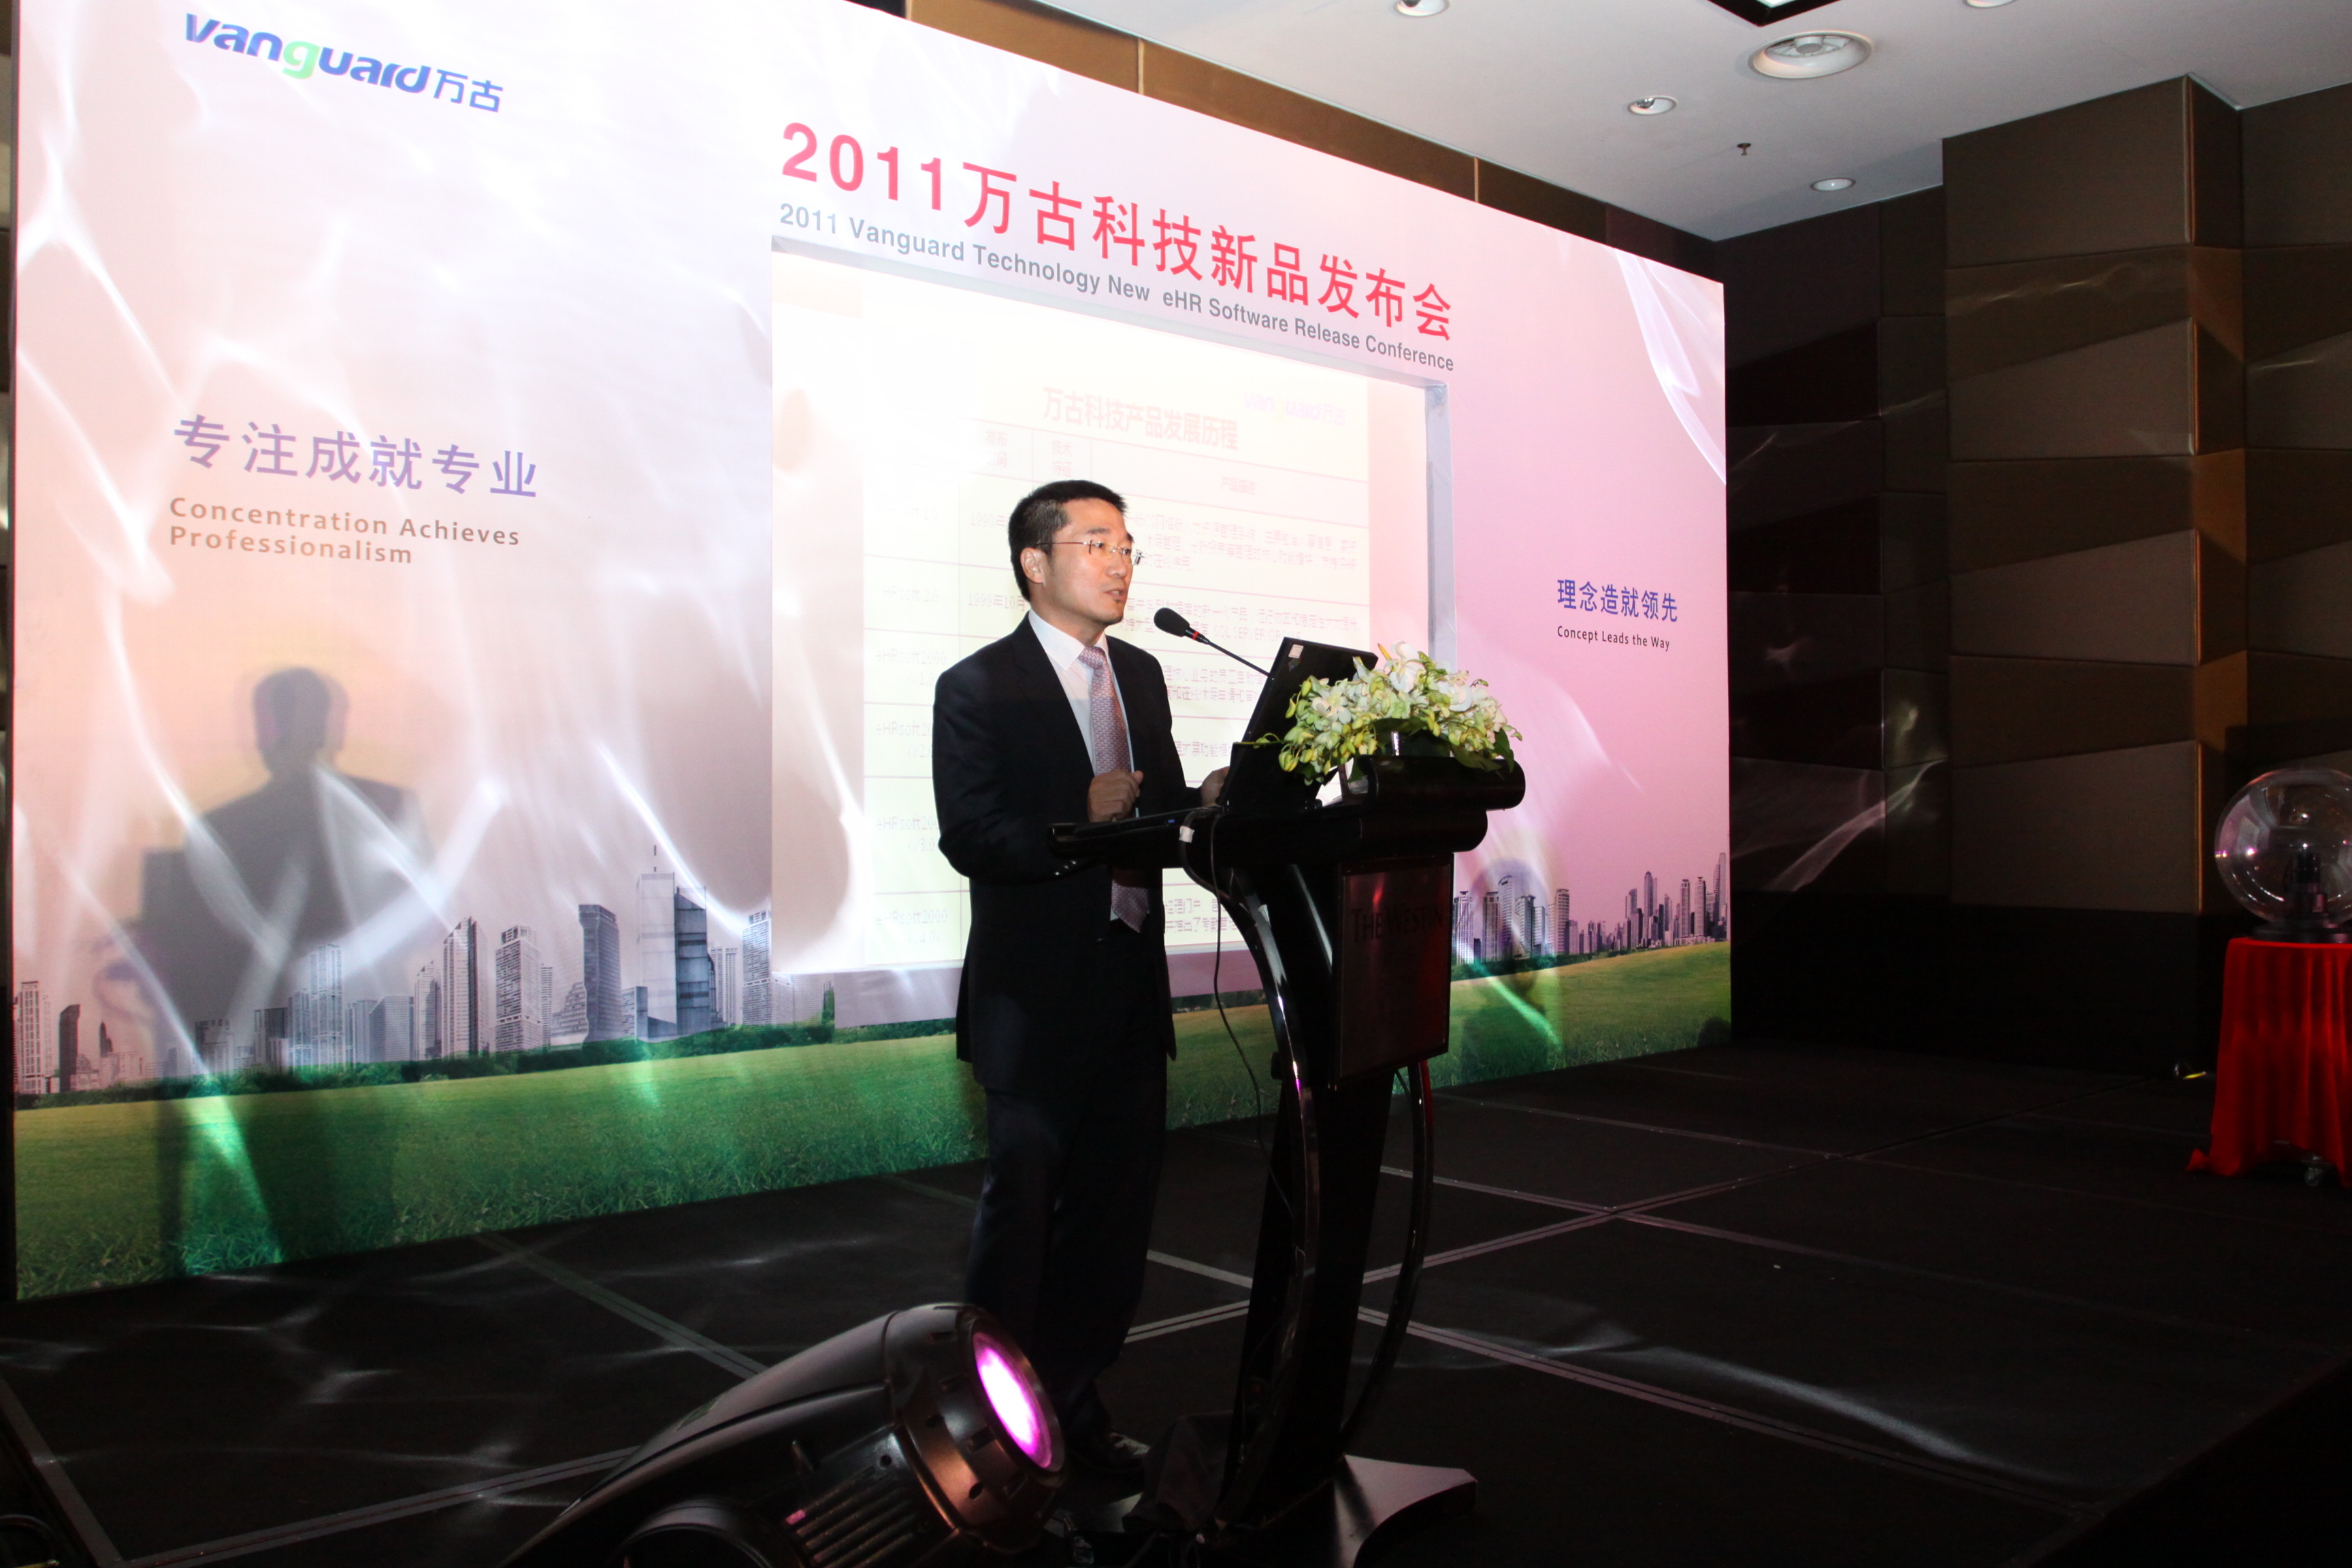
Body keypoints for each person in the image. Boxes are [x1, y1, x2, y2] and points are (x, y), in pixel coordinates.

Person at [931, 479, 1227, 1480]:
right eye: (1097, 543)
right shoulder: (978, 685)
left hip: (1129, 994)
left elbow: (1158, 807)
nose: (1120, 563)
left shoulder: (1141, 672)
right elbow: (971, 836)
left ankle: (1074, 1406)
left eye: (1128, 546)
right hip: (1034, 1005)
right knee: (1022, 1230)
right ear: (1035, 562)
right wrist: (1075, 826)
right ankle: (994, 1435)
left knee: (1112, 1228)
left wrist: (1212, 801)